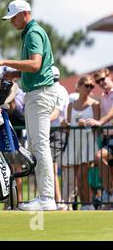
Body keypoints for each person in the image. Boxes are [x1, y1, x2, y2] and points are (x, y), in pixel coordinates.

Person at [0, 0, 58, 211]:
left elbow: (35, 64)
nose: (11, 22)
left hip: (40, 94)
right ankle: (45, 197)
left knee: (39, 145)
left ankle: (47, 197)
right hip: (37, 93)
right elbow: (35, 67)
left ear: (24, 14)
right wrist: (14, 73)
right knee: (38, 145)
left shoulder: (33, 33)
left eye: (14, 18)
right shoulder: (29, 33)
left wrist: (4, 62)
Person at [61, 76, 100, 210]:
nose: (89, 88)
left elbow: (98, 127)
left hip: (88, 143)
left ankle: (88, 204)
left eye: (91, 86)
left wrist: (87, 125)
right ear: (79, 86)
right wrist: (65, 125)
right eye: (87, 85)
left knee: (82, 176)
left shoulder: (95, 104)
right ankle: (85, 205)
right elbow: (68, 128)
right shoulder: (71, 106)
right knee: (78, 179)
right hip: (73, 142)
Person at [86, 68, 113, 207]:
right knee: (99, 157)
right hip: (108, 138)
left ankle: (109, 193)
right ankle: (109, 193)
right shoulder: (104, 96)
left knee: (99, 156)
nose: (101, 82)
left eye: (103, 79)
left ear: (109, 76)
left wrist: (101, 122)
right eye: (98, 81)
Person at [49, 66, 70, 210]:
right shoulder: (60, 89)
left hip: (57, 132)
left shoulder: (58, 90)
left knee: (51, 166)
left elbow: (57, 113)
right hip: (55, 131)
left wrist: (40, 122)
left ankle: (59, 201)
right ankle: (57, 200)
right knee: (51, 167)